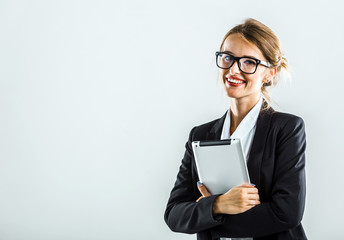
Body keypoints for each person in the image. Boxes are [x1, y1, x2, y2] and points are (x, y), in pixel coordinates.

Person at [164, 18, 307, 240]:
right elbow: (174, 215)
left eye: (249, 62)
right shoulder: (200, 135)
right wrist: (220, 204)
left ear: (270, 73)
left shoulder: (287, 128)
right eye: (228, 57)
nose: (233, 69)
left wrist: (208, 213)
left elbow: (286, 213)